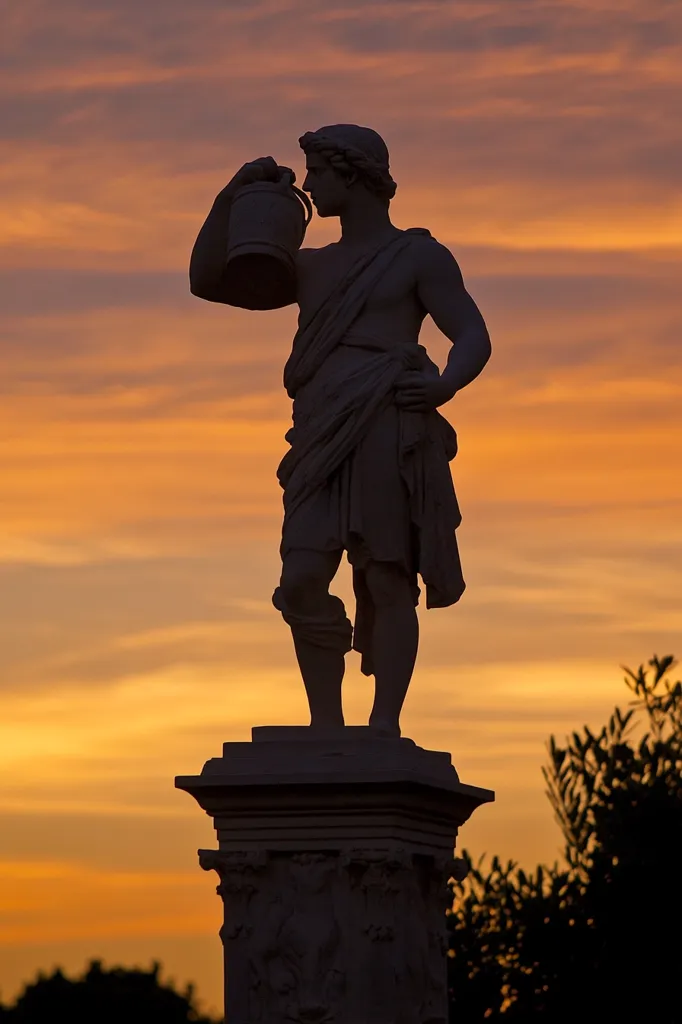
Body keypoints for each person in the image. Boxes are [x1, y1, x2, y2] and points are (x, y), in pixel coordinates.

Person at [190, 124, 491, 737]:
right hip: (321, 433)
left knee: (386, 576)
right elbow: (208, 281)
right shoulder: (310, 267)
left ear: (350, 175)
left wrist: (445, 385)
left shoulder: (417, 255)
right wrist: (230, 197)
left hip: (386, 423)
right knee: (300, 579)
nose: (309, 185)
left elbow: (472, 333)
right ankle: (326, 723)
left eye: (318, 173)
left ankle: (384, 725)